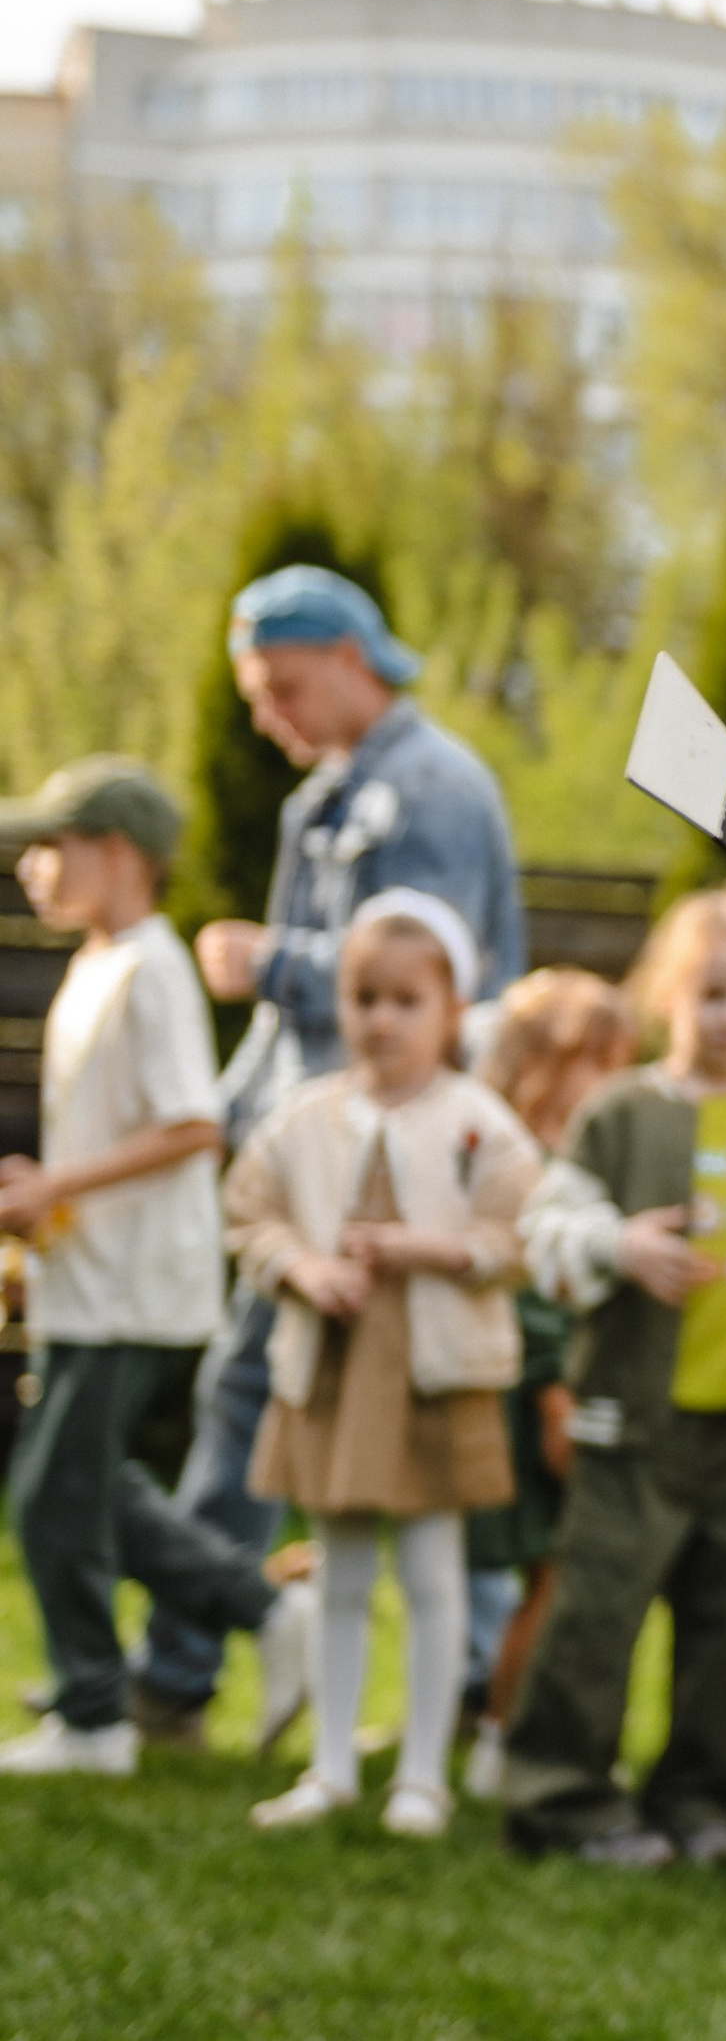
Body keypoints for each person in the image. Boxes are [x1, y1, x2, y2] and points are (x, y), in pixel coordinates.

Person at [136, 565, 524, 1745]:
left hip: (398, 1168)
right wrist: (223, 1113)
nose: (267, 715)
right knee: (261, 1393)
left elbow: (419, 979)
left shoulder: (431, 790)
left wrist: (274, 962)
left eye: (284, 686)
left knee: (417, 1406)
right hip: (314, 1152)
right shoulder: (325, 794)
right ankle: (197, 1667)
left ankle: (463, 1684)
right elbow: (293, 1029)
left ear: (353, 660)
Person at [499, 883, 726, 1870]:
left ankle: (698, 1799)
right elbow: (544, 1230)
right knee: (597, 1613)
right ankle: (561, 1797)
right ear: (666, 996)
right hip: (631, 1421)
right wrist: (620, 1245)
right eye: (711, 993)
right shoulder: (619, 1113)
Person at [0, 760, 297, 1776]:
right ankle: (270, 1612)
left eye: (53, 846)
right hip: (85, 1278)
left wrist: (54, 1184)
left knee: (53, 1495)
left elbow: (193, 1127)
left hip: (132, 1286)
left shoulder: (153, 968)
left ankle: (94, 1719)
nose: (32, 867)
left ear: (120, 853)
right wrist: (44, 1205)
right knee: (83, 1485)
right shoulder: (97, 963)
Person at [222, 894, 541, 1839]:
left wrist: (429, 1250)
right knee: (343, 1569)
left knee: (435, 1573)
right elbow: (249, 1213)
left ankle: (422, 1780)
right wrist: (304, 1270)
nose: (383, 1020)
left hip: (436, 1373)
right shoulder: (302, 1119)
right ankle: (329, 1768)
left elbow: (518, 1235)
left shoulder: (480, 1123)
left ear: (452, 1010)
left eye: (407, 1001)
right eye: (366, 998)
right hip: (334, 1370)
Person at [454, 968, 640, 1803]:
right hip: (541, 1402)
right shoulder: (528, 1162)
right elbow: (533, 1302)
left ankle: (531, 1732)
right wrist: (554, 1399)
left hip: (570, 1391)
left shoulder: (577, 1151)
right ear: (540, 1063)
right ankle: (505, 1736)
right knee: (554, 1579)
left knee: (562, 1578)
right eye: (595, 1060)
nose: (611, 1079)